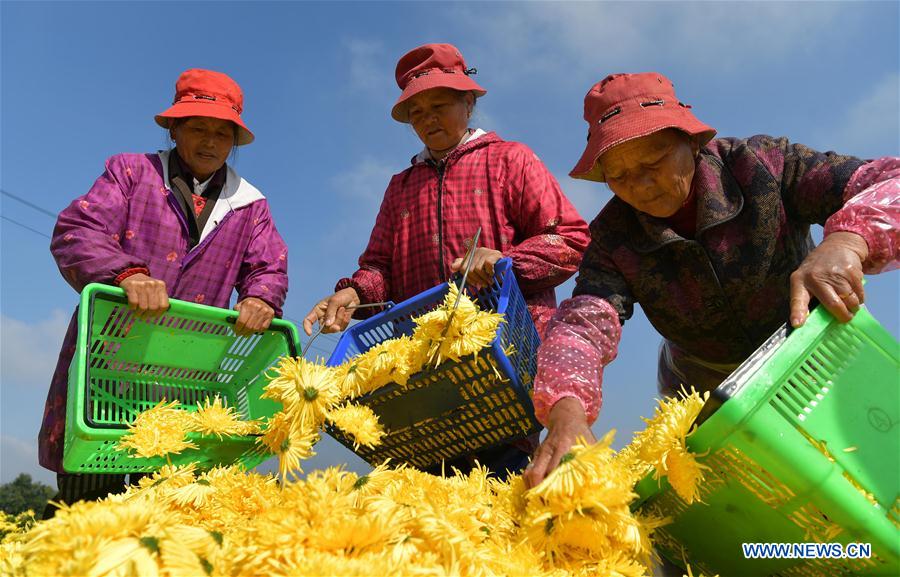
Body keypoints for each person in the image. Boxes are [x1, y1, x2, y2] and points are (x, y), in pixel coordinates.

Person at [524, 72, 899, 489]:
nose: (642, 185)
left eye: (654, 161)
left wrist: (848, 241)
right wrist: (566, 408)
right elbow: (583, 324)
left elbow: (889, 181)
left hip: (816, 359)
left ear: (692, 141)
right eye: (621, 175)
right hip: (706, 394)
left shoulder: (764, 166)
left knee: (860, 486)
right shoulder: (613, 236)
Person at [304, 43, 591, 478]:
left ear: (469, 102)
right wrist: (353, 291)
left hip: (504, 359)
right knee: (435, 491)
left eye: (439, 105)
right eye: (416, 113)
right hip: (428, 373)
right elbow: (379, 265)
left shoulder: (509, 160)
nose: (428, 120)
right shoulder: (400, 187)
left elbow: (570, 239)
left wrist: (503, 261)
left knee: (507, 485)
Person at [40, 68, 289, 515]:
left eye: (222, 132)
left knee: (181, 509)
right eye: (197, 128)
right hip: (109, 368)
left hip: (187, 380)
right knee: (91, 508)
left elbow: (268, 265)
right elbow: (78, 230)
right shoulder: (132, 172)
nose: (210, 142)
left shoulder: (250, 205)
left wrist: (261, 297)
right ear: (174, 129)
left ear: (234, 140)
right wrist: (125, 274)